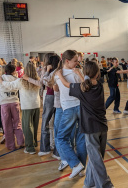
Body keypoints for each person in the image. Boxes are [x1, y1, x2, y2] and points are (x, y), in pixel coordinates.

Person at [58, 61, 114, 188]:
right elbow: (88, 83)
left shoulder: (81, 89)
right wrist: (81, 73)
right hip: (102, 127)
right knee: (97, 157)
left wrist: (59, 74)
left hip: (90, 128)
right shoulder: (99, 85)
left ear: (85, 73)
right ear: (98, 73)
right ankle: (89, 183)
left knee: (96, 159)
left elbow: (66, 84)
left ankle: (106, 185)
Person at [55, 50, 87, 178]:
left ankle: (75, 164)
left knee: (61, 138)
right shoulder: (75, 73)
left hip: (70, 108)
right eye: (75, 61)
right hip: (80, 107)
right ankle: (81, 167)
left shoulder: (58, 74)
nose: (77, 63)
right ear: (67, 61)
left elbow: (56, 88)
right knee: (80, 139)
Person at [0, 63, 40, 154]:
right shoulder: (37, 80)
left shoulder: (21, 81)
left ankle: (30, 148)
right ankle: (34, 143)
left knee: (27, 127)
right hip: (36, 105)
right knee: (35, 125)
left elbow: (10, 85)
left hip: (27, 106)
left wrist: (1, 81)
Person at [0, 64, 24, 150]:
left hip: (4, 103)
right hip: (14, 102)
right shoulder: (16, 79)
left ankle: (11, 145)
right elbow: (18, 86)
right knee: (17, 123)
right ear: (14, 71)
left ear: (5, 71)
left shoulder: (0, 78)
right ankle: (21, 142)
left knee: (7, 124)